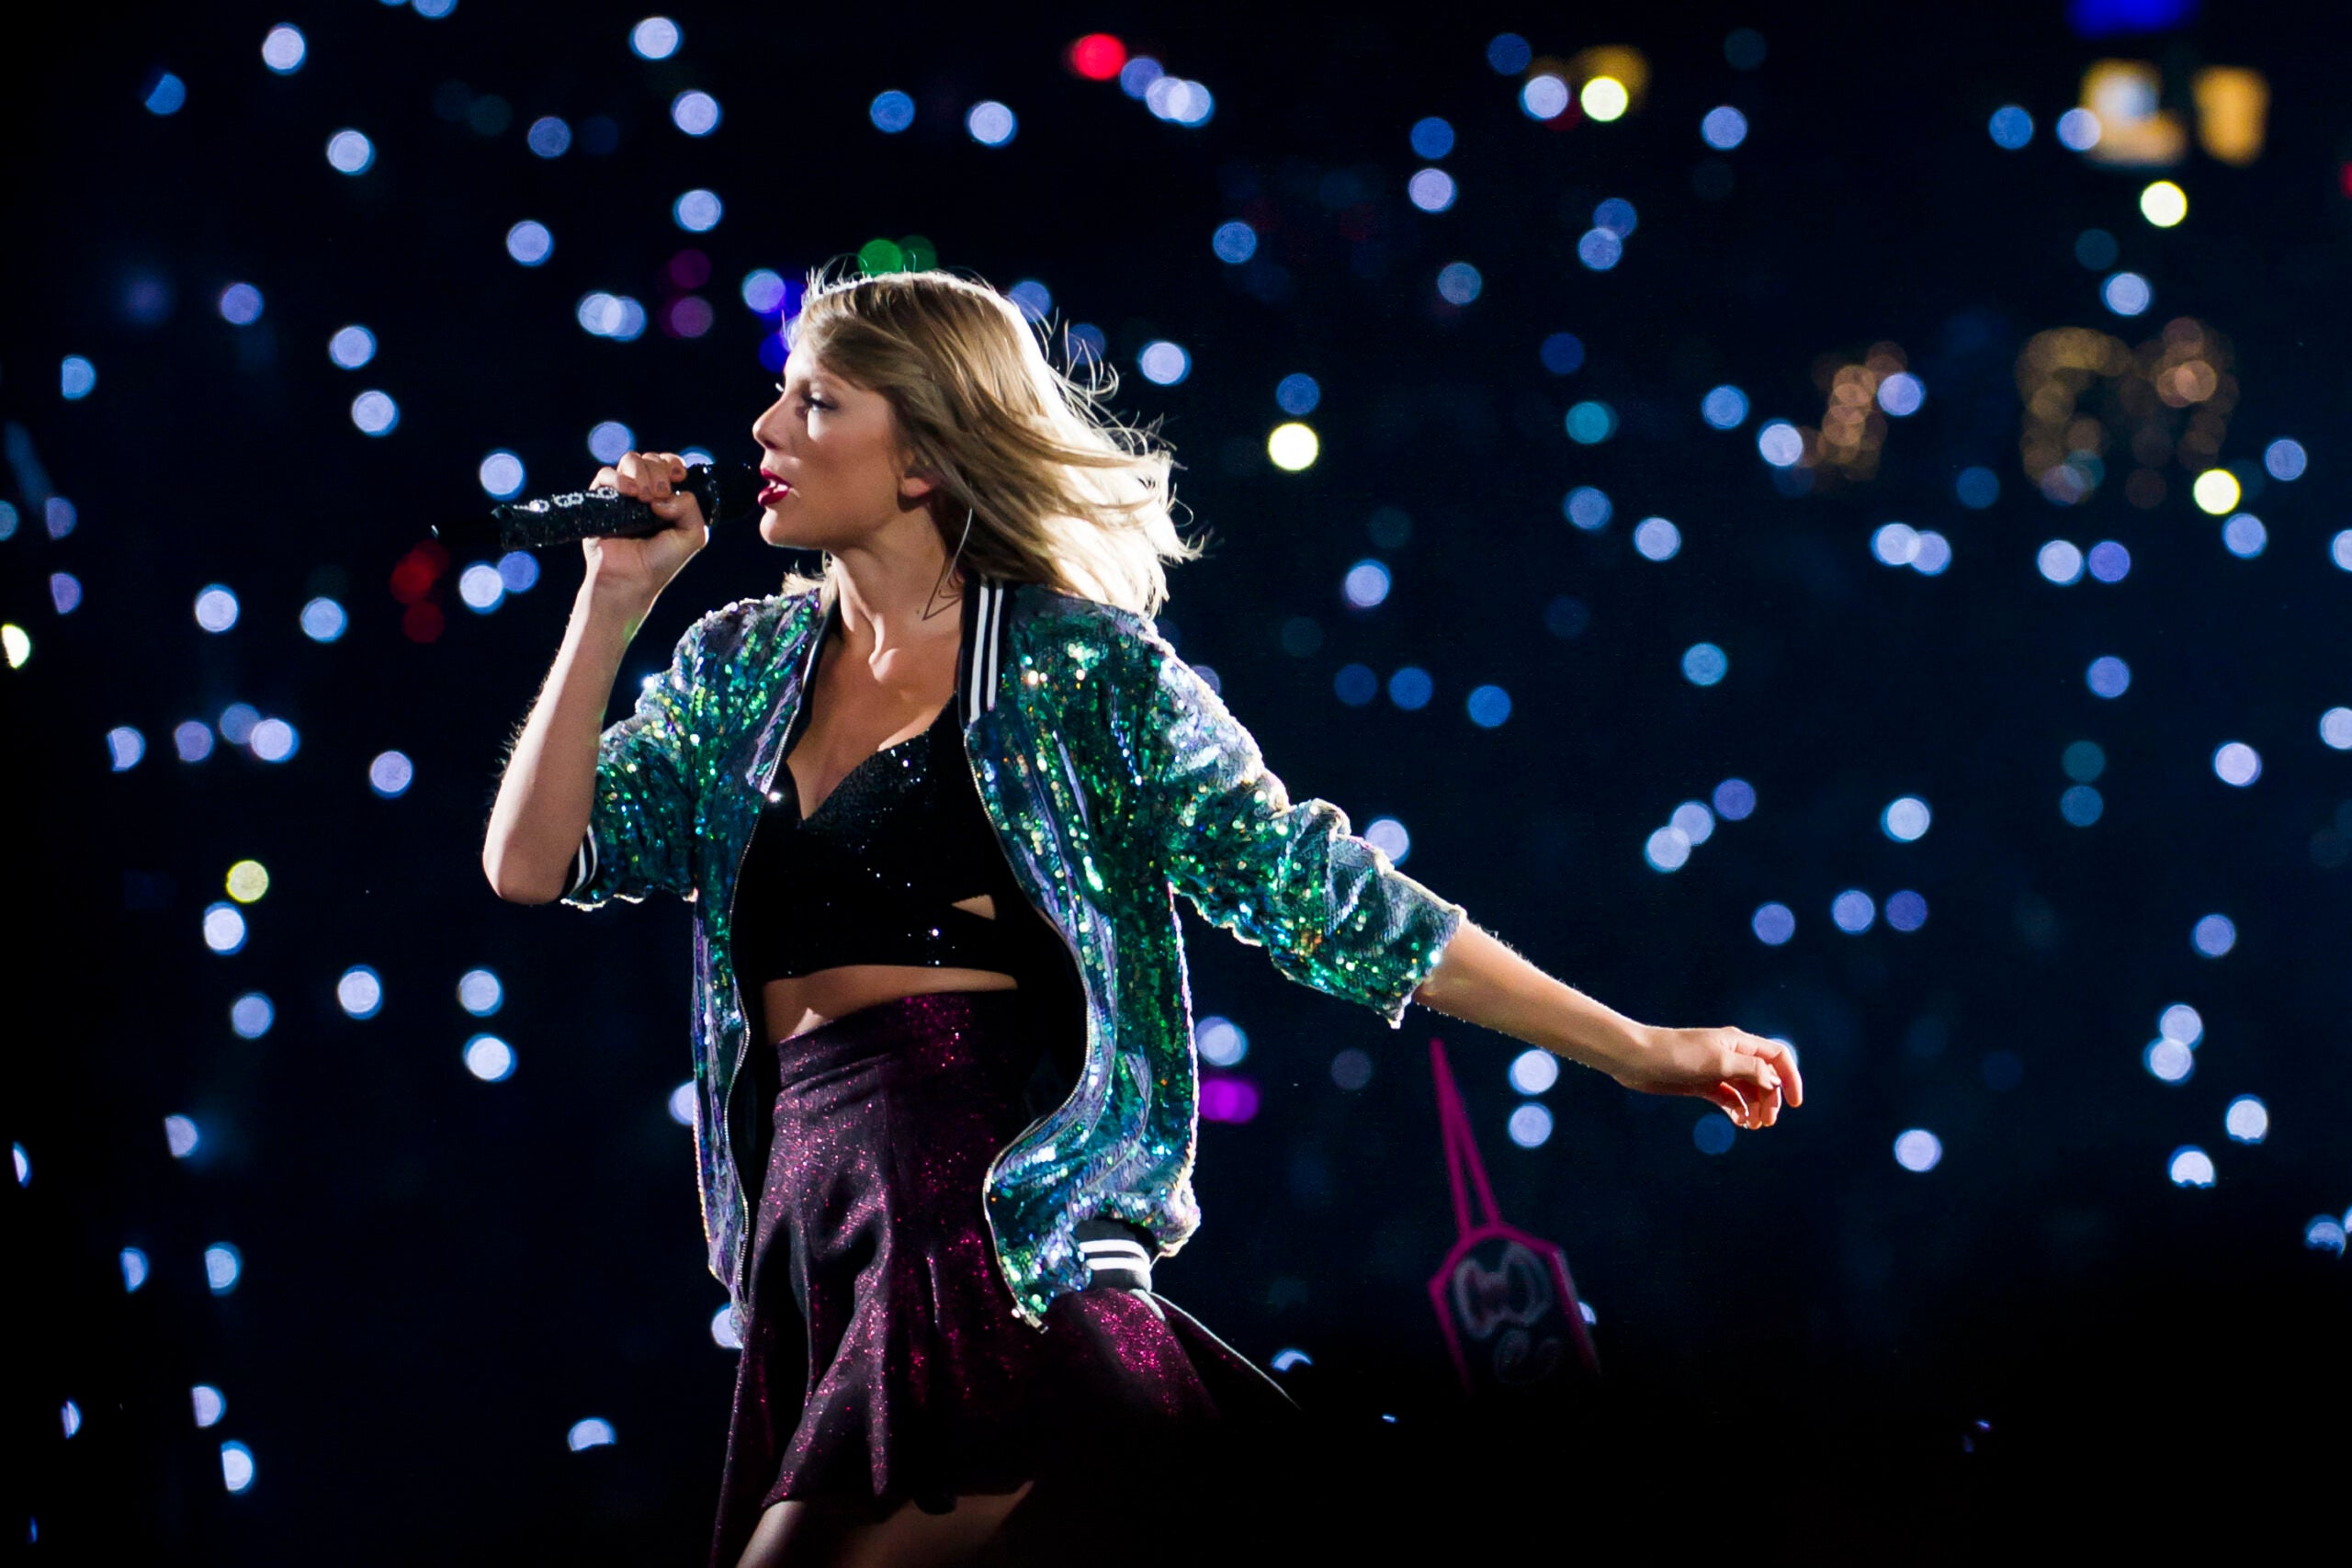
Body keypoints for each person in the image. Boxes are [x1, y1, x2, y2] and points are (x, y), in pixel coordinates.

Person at [481, 268, 1803, 1567]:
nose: (765, 432)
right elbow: (534, 864)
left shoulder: (1079, 670)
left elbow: (1319, 888)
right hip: (813, 1242)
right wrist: (612, 601)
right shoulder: (738, 668)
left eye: (818, 404)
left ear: (927, 455)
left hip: (988, 1236)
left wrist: (1636, 1046)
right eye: (781, 398)